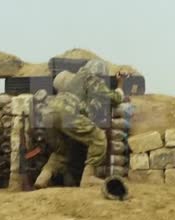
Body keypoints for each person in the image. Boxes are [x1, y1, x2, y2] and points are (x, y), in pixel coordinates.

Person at [35, 59, 125, 188]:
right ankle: (88, 177)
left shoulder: (75, 79)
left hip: (49, 113)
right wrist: (120, 84)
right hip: (67, 113)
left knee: (62, 152)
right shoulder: (92, 79)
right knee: (98, 138)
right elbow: (115, 98)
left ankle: (43, 177)